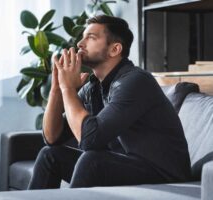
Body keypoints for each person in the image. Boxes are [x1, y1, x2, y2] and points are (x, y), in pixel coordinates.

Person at [28, 15, 191, 189]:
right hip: (125, 166)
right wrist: (57, 88)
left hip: (163, 174)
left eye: (91, 37)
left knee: (93, 160)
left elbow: (89, 141)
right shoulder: (93, 87)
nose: (80, 44)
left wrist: (68, 89)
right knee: (50, 155)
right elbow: (52, 138)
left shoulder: (136, 81)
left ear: (114, 49)